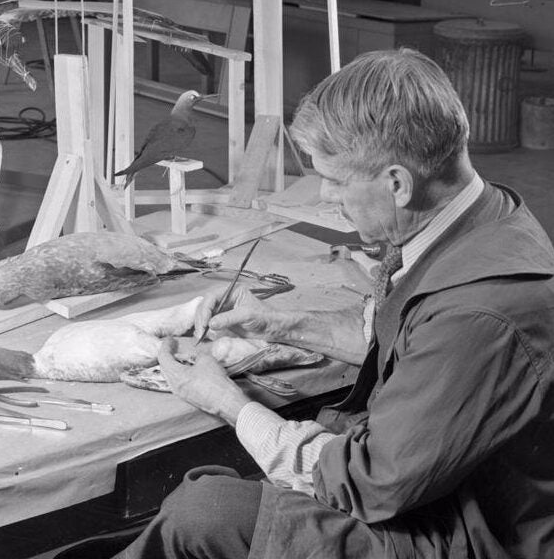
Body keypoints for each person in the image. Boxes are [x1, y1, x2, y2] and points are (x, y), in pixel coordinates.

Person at [117, 48, 554, 558]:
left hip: (468, 535)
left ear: (397, 183)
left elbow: (368, 483)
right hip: (438, 491)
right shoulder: (480, 216)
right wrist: (274, 323)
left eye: (337, 180)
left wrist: (228, 403)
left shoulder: (478, 316)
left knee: (207, 513)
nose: (325, 195)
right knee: (195, 510)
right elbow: (397, 332)